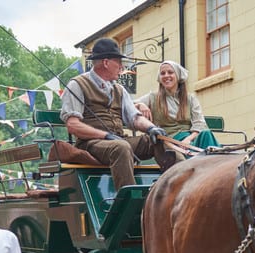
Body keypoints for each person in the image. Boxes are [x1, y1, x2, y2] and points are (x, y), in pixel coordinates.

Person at [60, 37, 180, 190]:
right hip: (90, 144)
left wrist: (151, 129)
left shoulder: (119, 89)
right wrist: (105, 136)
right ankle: (129, 201)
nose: (122, 67)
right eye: (118, 62)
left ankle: (180, 187)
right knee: (121, 148)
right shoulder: (77, 85)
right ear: (106, 62)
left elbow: (135, 118)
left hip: (118, 141)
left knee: (159, 140)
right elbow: (73, 125)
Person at [135, 60, 221, 150]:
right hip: (168, 143)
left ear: (178, 76)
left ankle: (217, 158)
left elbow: (199, 123)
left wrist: (188, 140)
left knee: (206, 134)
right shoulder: (152, 97)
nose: (166, 76)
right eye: (163, 73)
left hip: (190, 140)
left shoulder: (190, 98)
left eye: (170, 72)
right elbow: (128, 104)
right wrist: (140, 104)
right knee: (204, 152)